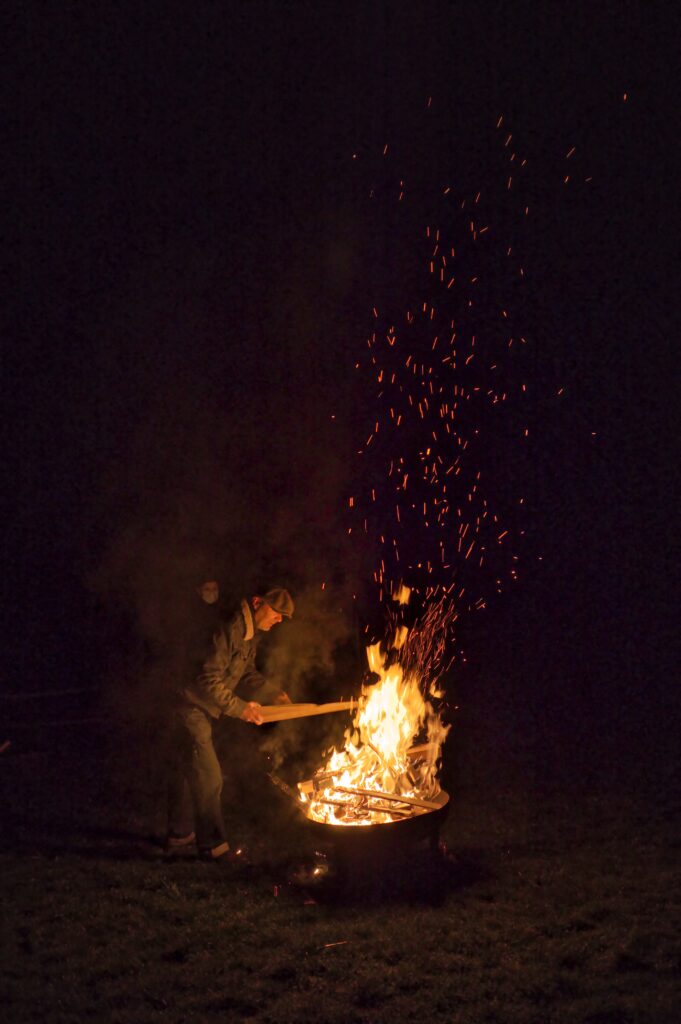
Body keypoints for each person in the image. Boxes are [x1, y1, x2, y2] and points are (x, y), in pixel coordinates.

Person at [166, 587, 294, 862]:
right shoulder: (229, 627)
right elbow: (207, 678)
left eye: (283, 617)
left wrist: (272, 693)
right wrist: (240, 708)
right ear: (258, 603)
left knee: (186, 769)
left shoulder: (249, 633)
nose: (279, 620)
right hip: (188, 704)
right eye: (276, 612)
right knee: (209, 775)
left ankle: (179, 833)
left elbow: (245, 672)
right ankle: (213, 847)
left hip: (198, 706)